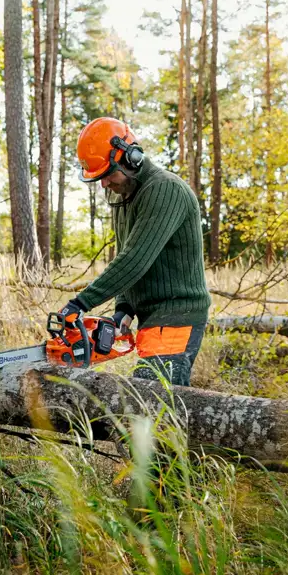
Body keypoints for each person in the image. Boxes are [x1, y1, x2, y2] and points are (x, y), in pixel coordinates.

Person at [56, 117, 210, 386]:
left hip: (177, 315)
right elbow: (127, 256)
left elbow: (136, 259)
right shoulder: (123, 196)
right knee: (149, 403)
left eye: (108, 174)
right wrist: (124, 308)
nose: (104, 184)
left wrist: (79, 304)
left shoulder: (165, 190)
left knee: (151, 400)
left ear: (131, 157)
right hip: (152, 318)